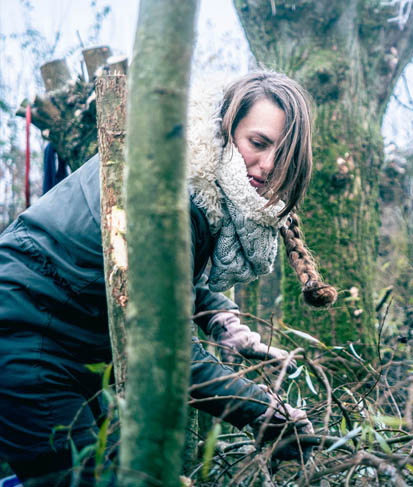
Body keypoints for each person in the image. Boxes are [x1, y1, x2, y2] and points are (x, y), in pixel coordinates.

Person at [0, 71, 337, 485]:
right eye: (258, 143)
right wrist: (264, 412)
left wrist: (222, 319)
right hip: (26, 334)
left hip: (71, 339)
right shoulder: (169, 192)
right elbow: (169, 353)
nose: (267, 166)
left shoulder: (194, 175)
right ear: (227, 128)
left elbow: (162, 274)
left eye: (281, 154)